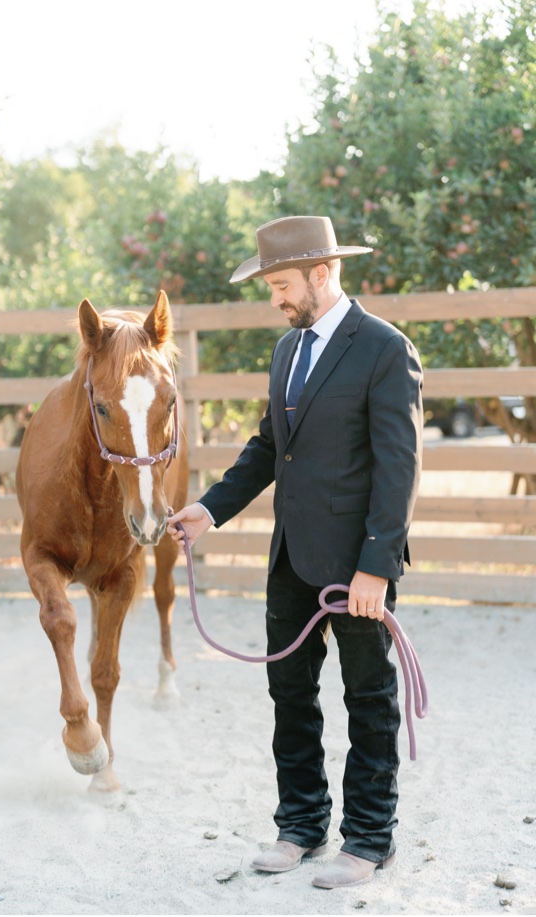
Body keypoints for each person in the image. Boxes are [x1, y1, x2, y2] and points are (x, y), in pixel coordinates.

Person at [167, 215, 422, 890]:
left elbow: (400, 469)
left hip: (356, 565)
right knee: (290, 694)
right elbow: (268, 448)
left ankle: (369, 839)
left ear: (322, 272)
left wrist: (376, 564)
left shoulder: (384, 349)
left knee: (368, 696)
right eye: (270, 286)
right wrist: (211, 508)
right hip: (290, 559)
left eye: (281, 284)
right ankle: (302, 825)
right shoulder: (287, 353)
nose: (276, 298)